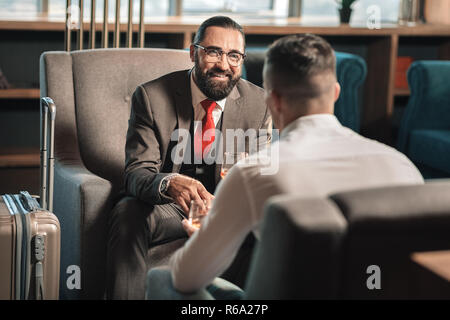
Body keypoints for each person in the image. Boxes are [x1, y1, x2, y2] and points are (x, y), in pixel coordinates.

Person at [146, 34, 424, 299]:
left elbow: (186, 278)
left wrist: (204, 238)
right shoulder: (402, 165)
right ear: (336, 92)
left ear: (273, 100)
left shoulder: (255, 173)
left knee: (163, 279)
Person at [106, 16, 272, 299]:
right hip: (168, 208)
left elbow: (265, 178)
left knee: (273, 220)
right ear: (193, 52)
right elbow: (136, 173)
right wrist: (169, 182)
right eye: (213, 52)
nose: (223, 64)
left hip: (226, 208)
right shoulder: (150, 96)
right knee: (128, 213)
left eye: (234, 55)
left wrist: (229, 206)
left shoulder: (260, 104)